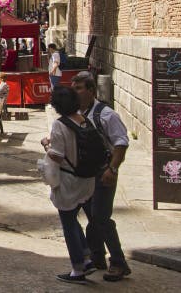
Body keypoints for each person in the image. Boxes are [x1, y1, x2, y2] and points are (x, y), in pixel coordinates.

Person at [71, 71, 131, 281]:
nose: (75, 92)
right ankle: (97, 256)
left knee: (101, 218)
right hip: (85, 174)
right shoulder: (76, 114)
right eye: (74, 88)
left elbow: (121, 143)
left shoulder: (106, 115)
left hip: (103, 173)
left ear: (91, 91)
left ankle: (118, 262)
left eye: (79, 88)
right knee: (91, 216)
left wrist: (112, 170)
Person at [42, 86, 96, 284]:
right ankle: (86, 256)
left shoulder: (60, 125)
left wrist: (46, 146)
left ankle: (77, 268)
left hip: (68, 180)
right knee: (73, 219)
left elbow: (57, 155)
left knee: (68, 223)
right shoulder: (84, 120)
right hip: (86, 179)